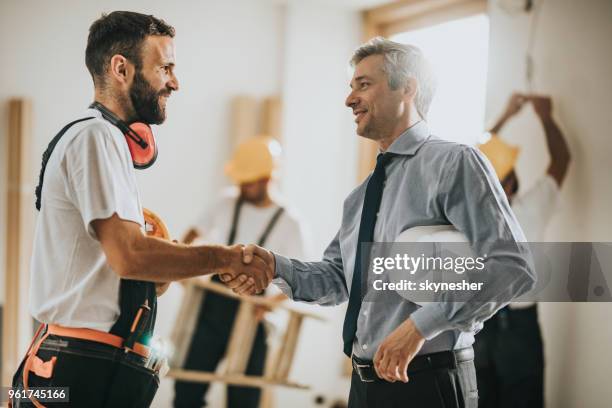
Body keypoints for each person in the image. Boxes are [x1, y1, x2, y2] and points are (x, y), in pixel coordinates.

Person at [223, 37, 536, 408]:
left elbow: (512, 267)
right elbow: (339, 279)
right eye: (351, 86)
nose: (349, 98)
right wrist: (276, 267)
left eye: (363, 84)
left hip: (428, 381)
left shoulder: (455, 164)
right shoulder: (362, 196)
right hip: (365, 385)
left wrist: (422, 325)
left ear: (407, 87)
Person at [11, 11, 271, 408]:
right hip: (77, 362)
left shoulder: (106, 140)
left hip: (83, 359)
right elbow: (129, 256)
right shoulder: (95, 135)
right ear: (121, 68)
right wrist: (226, 257)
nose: (175, 82)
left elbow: (125, 264)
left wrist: (156, 271)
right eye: (165, 67)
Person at [174, 137, 307, 408]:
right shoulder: (225, 203)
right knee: (187, 392)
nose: (242, 186)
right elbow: (189, 237)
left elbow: (300, 279)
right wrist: (186, 277)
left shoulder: (290, 222)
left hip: (251, 318)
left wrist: (268, 305)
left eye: (249, 180)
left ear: (268, 178)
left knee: (244, 399)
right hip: (211, 311)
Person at [475, 93, 571, 408]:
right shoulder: (469, 213)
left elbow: (561, 161)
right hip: (478, 324)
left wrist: (545, 117)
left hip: (519, 327)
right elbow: (474, 158)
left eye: (498, 182)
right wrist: (504, 115)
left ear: (512, 185)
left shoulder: (530, 208)